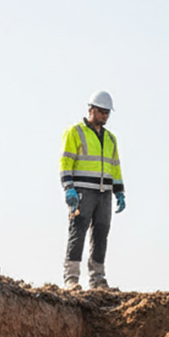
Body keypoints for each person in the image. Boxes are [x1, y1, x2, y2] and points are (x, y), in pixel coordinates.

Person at [59, 90, 125, 289]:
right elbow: (65, 161)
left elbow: (115, 166)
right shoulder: (75, 131)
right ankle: (71, 278)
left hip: (104, 192)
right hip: (82, 191)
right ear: (91, 110)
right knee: (77, 231)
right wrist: (68, 187)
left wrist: (119, 191)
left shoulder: (111, 139)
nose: (104, 116)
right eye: (101, 112)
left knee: (101, 234)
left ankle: (97, 278)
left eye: (107, 113)